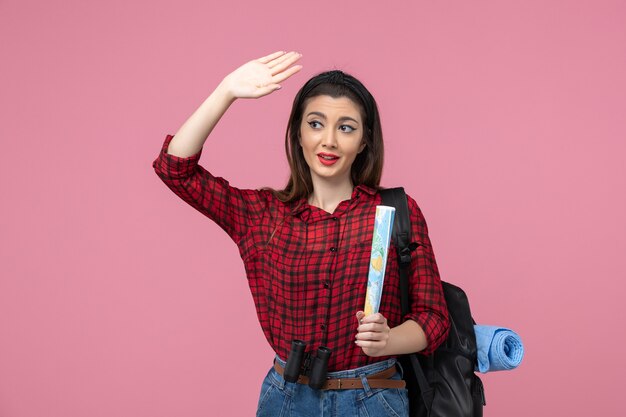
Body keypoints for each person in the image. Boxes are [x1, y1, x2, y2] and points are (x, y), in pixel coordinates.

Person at [152, 50, 450, 417]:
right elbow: (175, 169)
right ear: (297, 132)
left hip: (373, 398)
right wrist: (226, 90)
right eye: (315, 123)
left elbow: (434, 318)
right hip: (286, 399)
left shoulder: (393, 214)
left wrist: (390, 339)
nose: (329, 140)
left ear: (364, 141)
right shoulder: (262, 216)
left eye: (346, 127)